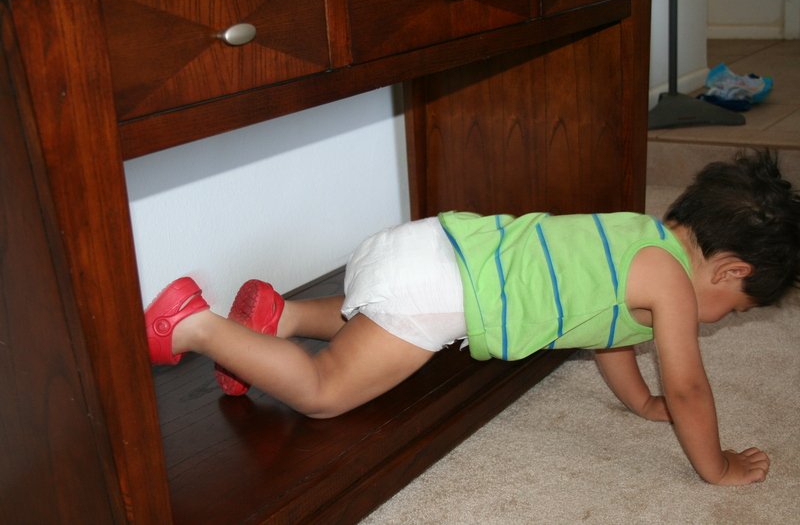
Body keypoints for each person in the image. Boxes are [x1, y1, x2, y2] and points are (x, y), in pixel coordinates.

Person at [144, 150, 799, 486]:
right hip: (437, 291)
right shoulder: (673, 286)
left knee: (366, 323)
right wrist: (716, 466)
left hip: (427, 245)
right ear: (730, 271)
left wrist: (638, 402)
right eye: (732, 311)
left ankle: (281, 315)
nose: (716, 321)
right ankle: (194, 324)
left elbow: (608, 335)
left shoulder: (636, 236)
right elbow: (690, 387)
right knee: (324, 391)